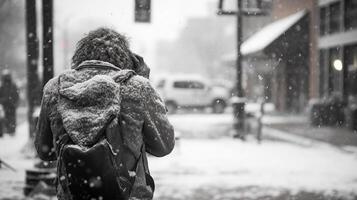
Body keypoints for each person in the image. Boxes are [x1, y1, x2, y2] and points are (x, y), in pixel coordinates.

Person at [35, 28, 175, 199]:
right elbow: (163, 146)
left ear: (79, 56)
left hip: (73, 194)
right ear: (125, 58)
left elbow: (45, 151)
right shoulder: (138, 88)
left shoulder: (54, 88)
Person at [0, 70, 19, 135]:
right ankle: (9, 130)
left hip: (11, 105)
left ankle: (11, 130)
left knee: (11, 117)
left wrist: (15, 102)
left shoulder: (12, 85)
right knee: (7, 117)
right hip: (6, 105)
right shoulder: (2, 86)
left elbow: (16, 95)